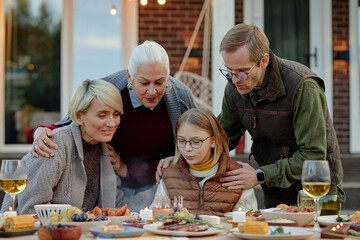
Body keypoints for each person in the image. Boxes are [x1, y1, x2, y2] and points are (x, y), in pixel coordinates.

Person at [30, 41, 196, 211]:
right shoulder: (110, 88)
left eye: (160, 82)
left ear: (168, 77)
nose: (152, 91)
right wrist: (42, 131)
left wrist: (132, 169)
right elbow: (75, 118)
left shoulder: (180, 96)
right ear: (130, 76)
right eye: (144, 83)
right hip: (112, 183)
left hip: (160, 181)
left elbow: (195, 141)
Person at [216, 23, 344, 208]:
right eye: (229, 71)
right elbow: (221, 138)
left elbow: (312, 155)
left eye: (242, 72)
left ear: (264, 61)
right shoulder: (235, 87)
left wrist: (260, 175)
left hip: (319, 192)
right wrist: (181, 156)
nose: (235, 80)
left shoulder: (303, 86)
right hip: (275, 189)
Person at [1, 79, 123, 214]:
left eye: (116, 114)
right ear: (79, 116)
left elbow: (116, 206)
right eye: (102, 115)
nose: (112, 123)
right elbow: (31, 209)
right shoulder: (54, 143)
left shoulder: (104, 149)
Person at [151, 108, 257, 216]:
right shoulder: (169, 172)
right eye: (181, 141)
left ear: (213, 140)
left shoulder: (240, 175)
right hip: (178, 233)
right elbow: (156, 218)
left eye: (196, 142)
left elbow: (249, 224)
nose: (187, 148)